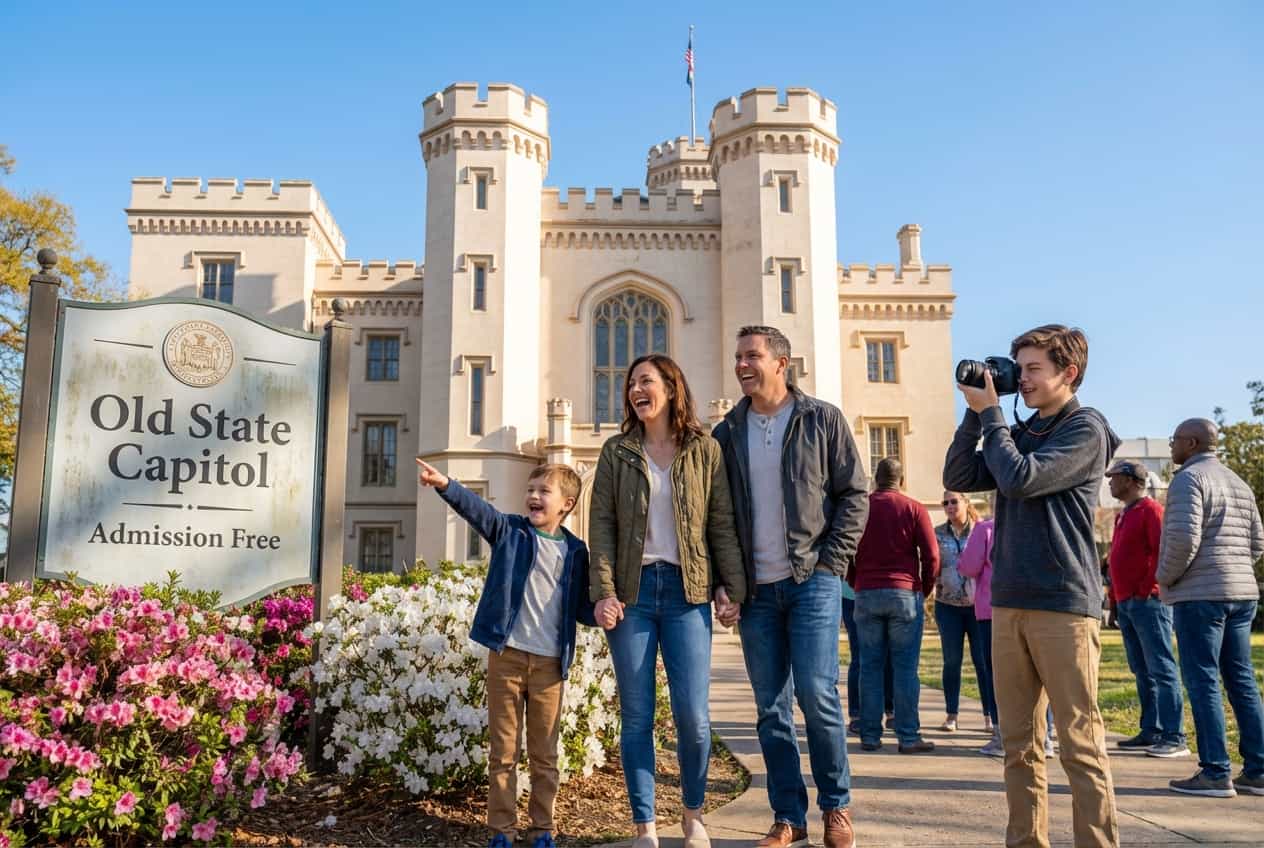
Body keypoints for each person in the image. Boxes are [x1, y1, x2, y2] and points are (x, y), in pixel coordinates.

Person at [944, 324, 1120, 848]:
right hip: (1009, 601)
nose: (1020, 380)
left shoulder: (1086, 429)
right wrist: (976, 413)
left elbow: (1020, 478)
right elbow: (959, 471)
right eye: (1017, 369)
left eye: (1032, 369)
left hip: (1064, 602)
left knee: (1079, 744)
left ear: (1068, 372)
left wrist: (994, 415)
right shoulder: (1019, 430)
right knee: (1017, 744)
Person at [713, 326, 868, 848]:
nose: (742, 364)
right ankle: (788, 816)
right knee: (771, 709)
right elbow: (719, 518)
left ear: (782, 363)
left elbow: (854, 495)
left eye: (752, 355)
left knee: (818, 696)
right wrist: (726, 583)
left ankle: (836, 807)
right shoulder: (726, 433)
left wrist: (833, 563)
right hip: (756, 590)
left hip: (812, 582)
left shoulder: (822, 419)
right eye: (738, 357)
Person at [589, 353, 747, 848]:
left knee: (694, 718)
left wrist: (730, 586)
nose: (636, 388)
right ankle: (644, 825)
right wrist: (604, 592)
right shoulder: (616, 452)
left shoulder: (704, 450)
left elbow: (720, 523)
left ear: (671, 389)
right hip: (633, 597)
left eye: (646, 381)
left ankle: (694, 814)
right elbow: (603, 528)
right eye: (631, 381)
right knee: (637, 715)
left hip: (687, 593)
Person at [416, 458, 594, 848]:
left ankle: (542, 829)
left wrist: (604, 610)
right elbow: (478, 511)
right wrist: (447, 484)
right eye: (530, 490)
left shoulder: (577, 552)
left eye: (543, 491)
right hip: (508, 658)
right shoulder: (510, 531)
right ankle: (501, 831)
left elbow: (582, 607)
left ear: (566, 503)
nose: (532, 496)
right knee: (503, 752)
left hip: (550, 666)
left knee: (544, 755)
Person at [1157, 417, 1264, 798]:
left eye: (1174, 440)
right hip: (1241, 592)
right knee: (1241, 680)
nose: (1171, 447)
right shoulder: (1239, 482)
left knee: (1202, 681)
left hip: (1200, 595)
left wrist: (1164, 577)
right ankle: (1258, 770)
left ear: (1191, 442)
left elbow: (1184, 539)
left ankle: (1216, 772)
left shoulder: (1188, 479)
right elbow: (1257, 544)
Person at [849, 458, 939, 753]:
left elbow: (846, 549)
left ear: (875, 479)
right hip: (903, 592)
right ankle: (908, 736)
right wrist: (923, 588)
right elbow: (932, 556)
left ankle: (870, 735)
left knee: (869, 666)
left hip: (867, 592)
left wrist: (856, 581)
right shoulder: (914, 508)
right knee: (904, 668)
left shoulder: (860, 508)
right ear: (902, 480)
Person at [1104, 459, 1187, 758]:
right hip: (1126, 603)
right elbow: (1117, 560)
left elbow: (1161, 553)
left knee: (1162, 668)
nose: (1110, 482)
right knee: (1141, 670)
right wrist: (1115, 603)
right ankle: (1151, 730)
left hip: (1148, 603)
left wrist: (1144, 590)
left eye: (1114, 477)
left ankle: (1174, 736)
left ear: (1130, 480)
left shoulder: (1152, 510)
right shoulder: (1123, 514)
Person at [959, 515, 1056, 760]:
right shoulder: (1038, 523)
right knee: (1039, 674)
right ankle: (1045, 737)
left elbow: (969, 566)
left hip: (993, 608)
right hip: (1035, 605)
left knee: (999, 676)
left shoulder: (986, 528)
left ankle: (1003, 736)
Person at [933, 491, 989, 733]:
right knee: (951, 661)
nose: (949, 506)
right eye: (945, 502)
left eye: (954, 501)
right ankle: (951, 715)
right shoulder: (937, 533)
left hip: (977, 608)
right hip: (947, 606)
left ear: (966, 503)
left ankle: (989, 715)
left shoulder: (982, 530)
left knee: (983, 661)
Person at [840, 583, 893, 735]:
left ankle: (891, 710)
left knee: (889, 656)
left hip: (886, 591)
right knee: (859, 656)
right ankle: (856, 714)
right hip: (853, 594)